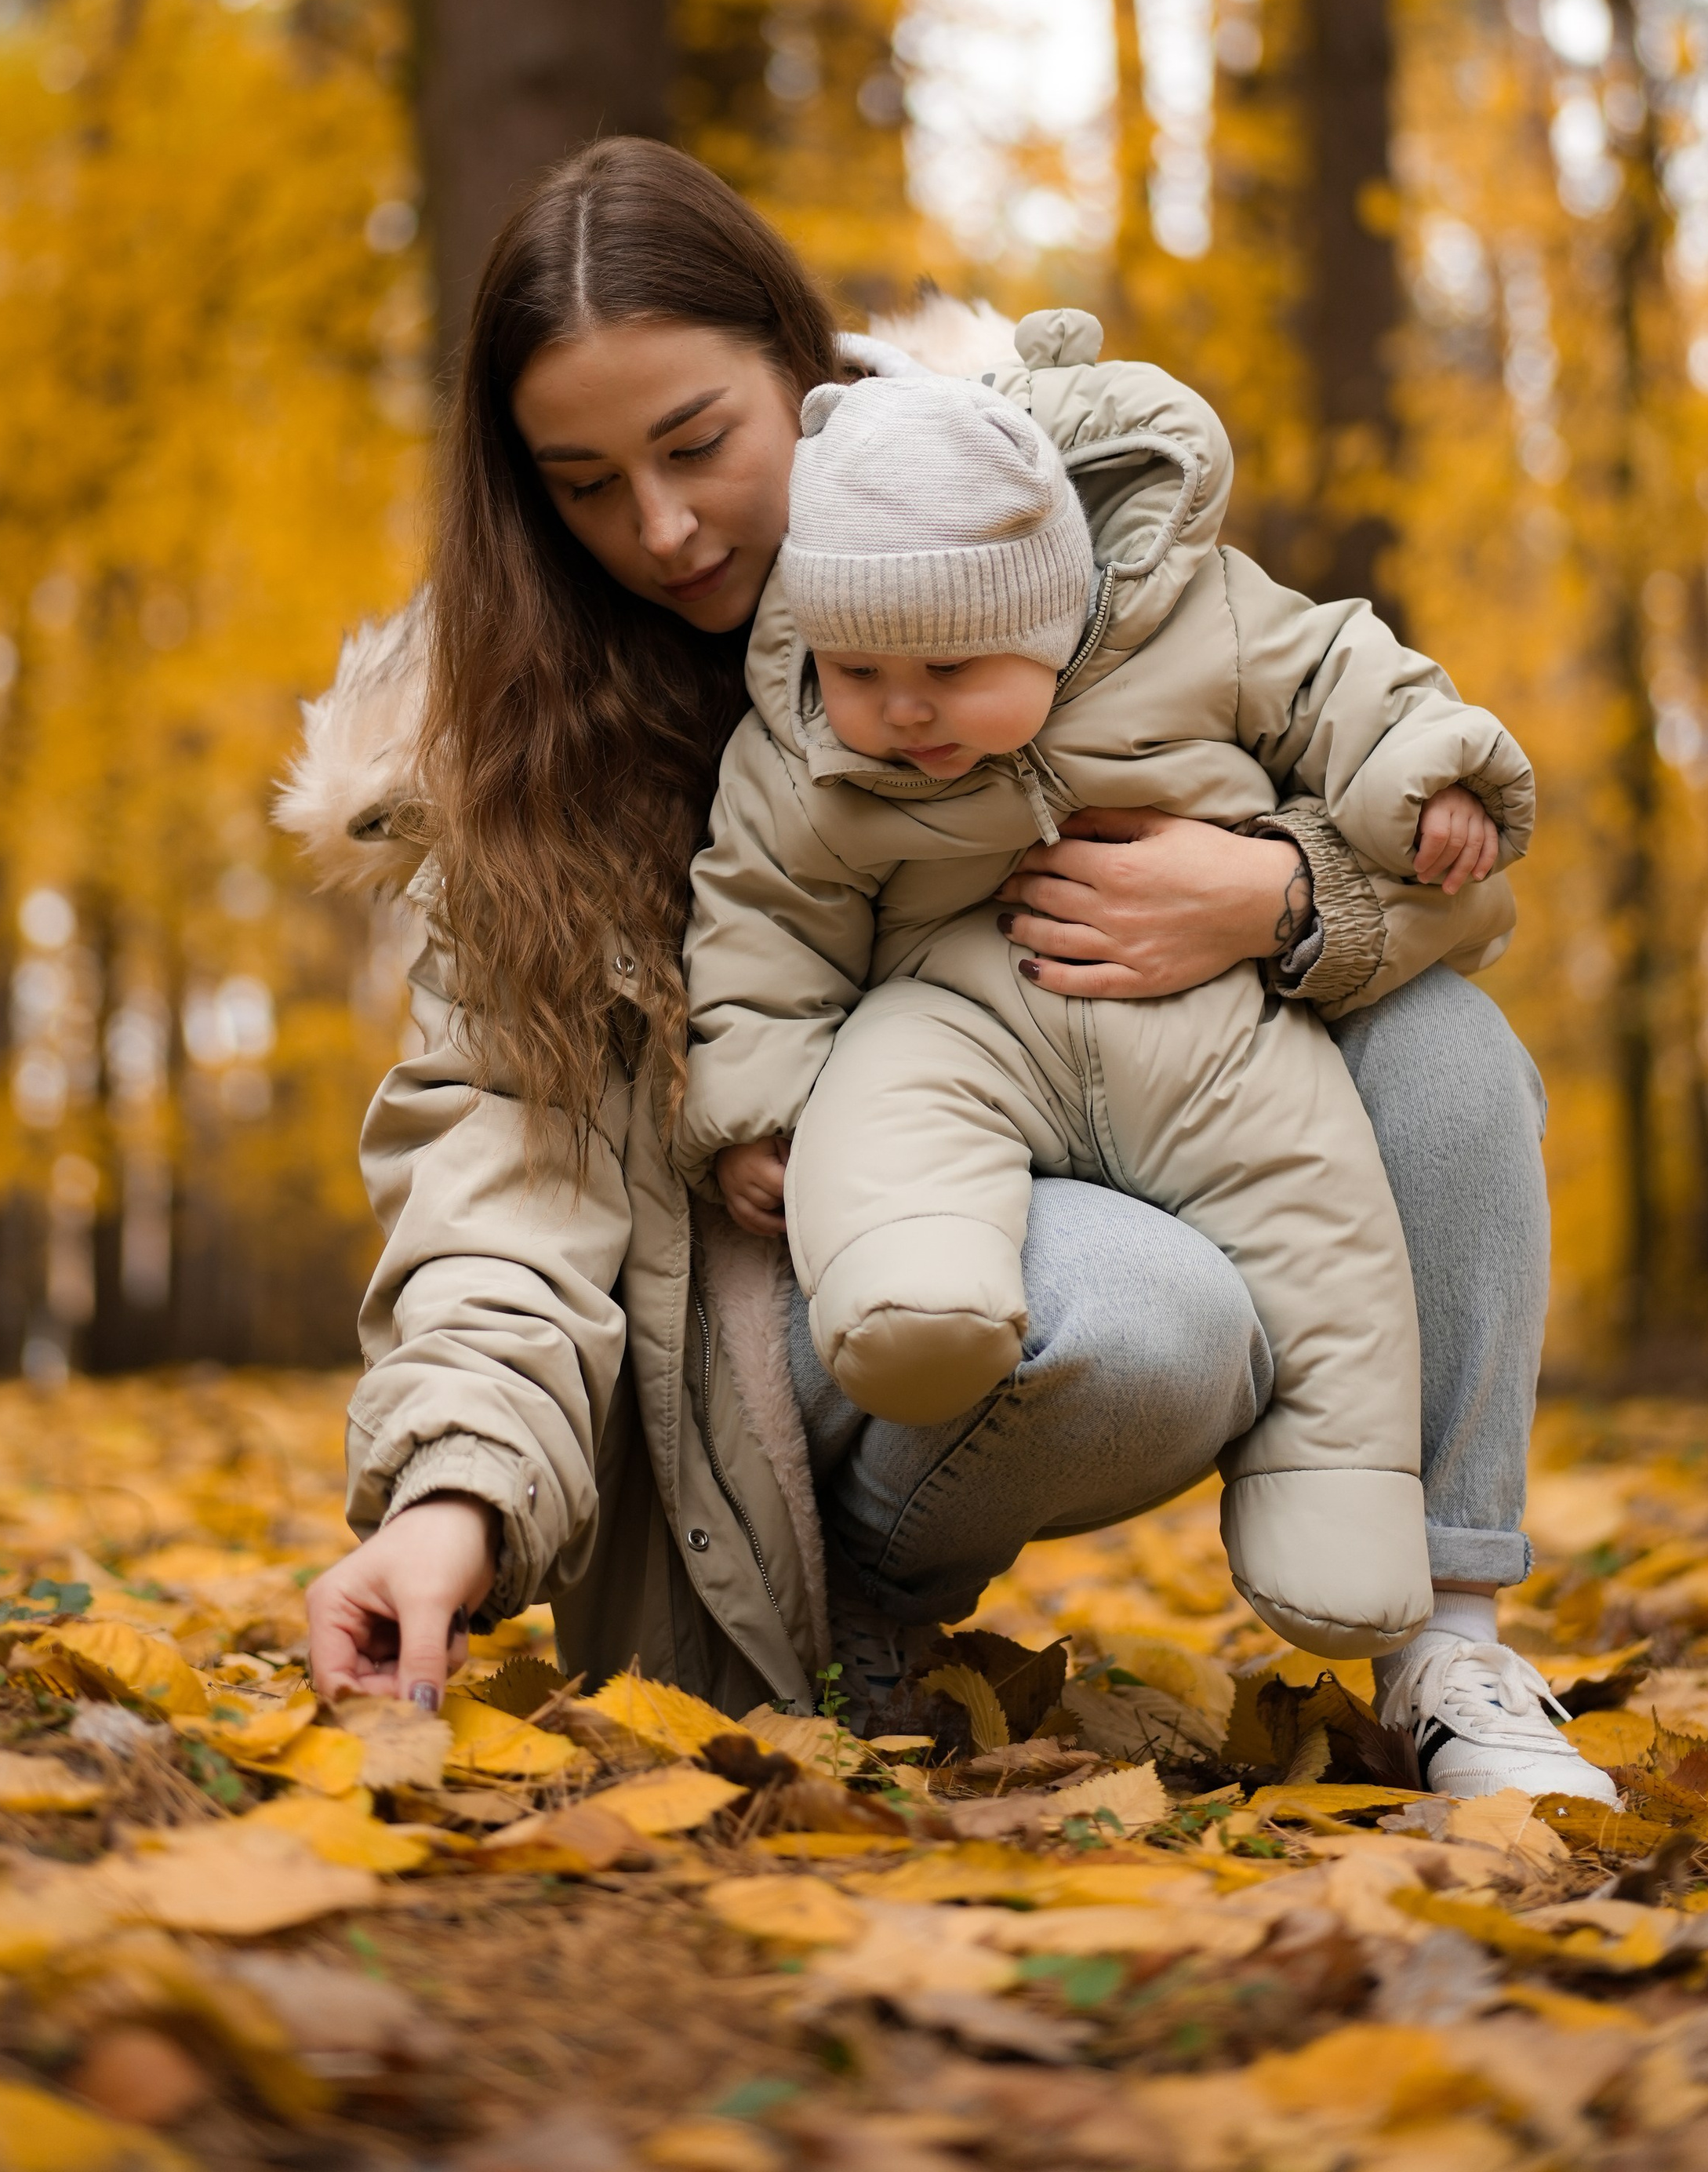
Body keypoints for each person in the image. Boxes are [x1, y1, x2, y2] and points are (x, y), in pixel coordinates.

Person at [292, 135, 1615, 1807]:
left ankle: (1442, 1641)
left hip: (1185, 1093)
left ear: (804, 370)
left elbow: (1444, 845)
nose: (664, 524)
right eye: (582, 483)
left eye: (697, 441)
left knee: (1445, 1050)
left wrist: (1276, 892)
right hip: (795, 1303)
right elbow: (501, 1165)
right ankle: (857, 1605)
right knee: (1146, 1319)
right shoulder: (507, 764)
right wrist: (445, 1508)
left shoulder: (1042, 536)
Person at [678, 328, 1527, 1664]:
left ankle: (1380, 1567)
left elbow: (1342, 677)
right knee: (888, 1120)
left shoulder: (1197, 625)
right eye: (862, 676)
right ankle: (915, 1317)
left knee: (1324, 1223)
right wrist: (758, 1107)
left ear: (1047, 610)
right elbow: (763, 919)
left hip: (1221, 1037)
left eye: (951, 672)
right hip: (957, 1026)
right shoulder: (803, 741)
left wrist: (1421, 781)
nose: (903, 712)